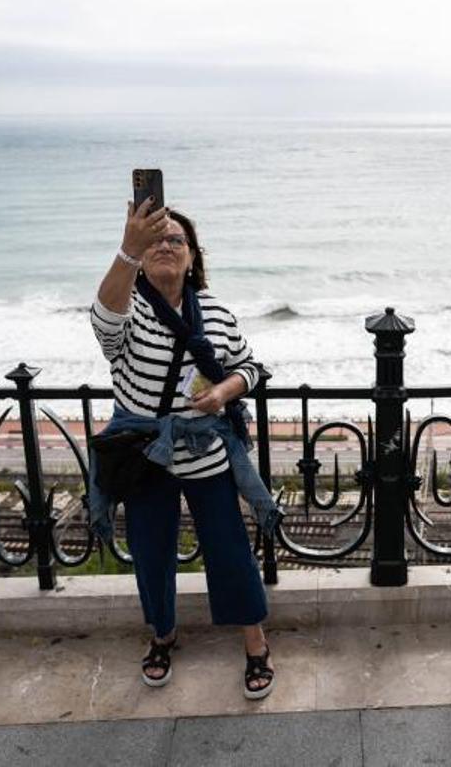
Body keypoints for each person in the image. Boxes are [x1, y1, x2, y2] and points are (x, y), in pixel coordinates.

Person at [88, 197, 276, 699]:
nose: (166, 246)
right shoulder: (130, 309)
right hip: (146, 455)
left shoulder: (214, 310)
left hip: (205, 452)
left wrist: (224, 391)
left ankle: (255, 642)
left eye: (177, 240)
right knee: (151, 552)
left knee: (229, 547)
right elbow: (103, 319)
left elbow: (251, 367)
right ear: (143, 253)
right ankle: (162, 635)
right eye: (157, 240)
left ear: (193, 256)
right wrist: (128, 248)